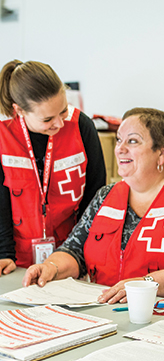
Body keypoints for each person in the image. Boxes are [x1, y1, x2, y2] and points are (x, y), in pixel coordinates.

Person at [22, 108, 164, 314]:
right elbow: (75, 251)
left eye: (132, 141)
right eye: (119, 140)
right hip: (113, 313)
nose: (120, 149)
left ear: (162, 152)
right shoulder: (106, 196)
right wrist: (51, 267)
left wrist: (145, 285)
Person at [0, 60, 106, 274]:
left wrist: (80, 251)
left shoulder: (81, 126)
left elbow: (95, 196)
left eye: (63, 111)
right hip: (16, 259)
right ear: (19, 110)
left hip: (71, 255)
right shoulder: (3, 134)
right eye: (48, 119)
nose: (59, 123)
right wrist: (4, 254)